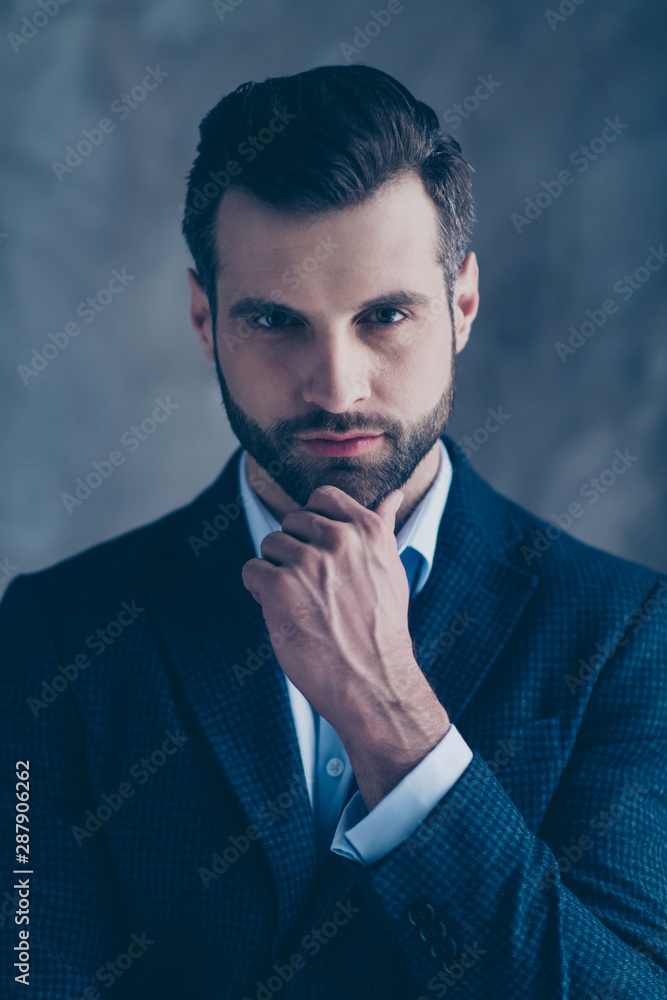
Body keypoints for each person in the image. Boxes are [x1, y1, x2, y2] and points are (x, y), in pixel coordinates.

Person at [1, 64, 666, 1000]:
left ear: (461, 307)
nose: (336, 387)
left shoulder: (627, 633)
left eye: (384, 315)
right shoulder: (55, 632)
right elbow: (25, 969)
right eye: (275, 321)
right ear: (204, 321)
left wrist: (393, 720)